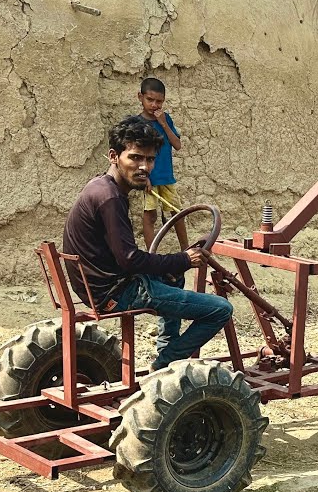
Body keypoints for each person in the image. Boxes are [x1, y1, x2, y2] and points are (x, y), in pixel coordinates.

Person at [62, 116, 232, 372]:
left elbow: (127, 258)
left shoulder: (100, 186)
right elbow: (129, 259)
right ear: (113, 156)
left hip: (102, 285)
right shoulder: (110, 199)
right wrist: (185, 258)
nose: (143, 166)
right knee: (220, 309)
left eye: (149, 159)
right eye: (135, 158)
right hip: (116, 293)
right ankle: (167, 361)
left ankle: (166, 347)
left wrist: (176, 264)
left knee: (174, 276)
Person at [136, 77, 188, 250]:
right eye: (150, 100)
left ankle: (187, 249)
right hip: (150, 177)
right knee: (150, 216)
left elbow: (177, 145)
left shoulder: (166, 119)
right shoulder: (137, 124)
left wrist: (164, 124)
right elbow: (137, 155)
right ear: (140, 97)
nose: (154, 105)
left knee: (177, 213)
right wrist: (144, 178)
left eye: (159, 101)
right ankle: (151, 254)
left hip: (167, 176)